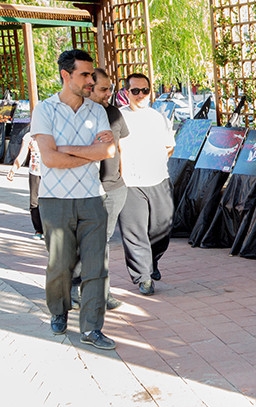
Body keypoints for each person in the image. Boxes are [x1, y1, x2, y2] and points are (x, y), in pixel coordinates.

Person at [30, 49, 116, 350]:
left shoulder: (98, 111)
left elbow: (107, 152)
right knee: (60, 265)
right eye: (84, 74)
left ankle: (92, 328)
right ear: (66, 76)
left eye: (92, 74)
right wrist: (86, 150)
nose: (91, 80)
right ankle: (59, 311)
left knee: (97, 267)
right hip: (55, 200)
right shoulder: (45, 109)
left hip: (92, 198)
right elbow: (50, 159)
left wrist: (69, 148)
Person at [71, 68, 130, 311]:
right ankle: (73, 286)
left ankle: (100, 292)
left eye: (110, 89)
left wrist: (122, 176)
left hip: (114, 188)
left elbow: (121, 148)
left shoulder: (114, 113)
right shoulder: (77, 116)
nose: (109, 94)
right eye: (103, 89)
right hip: (88, 191)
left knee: (102, 243)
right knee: (87, 243)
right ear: (88, 89)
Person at [118, 73, 175, 296]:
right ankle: (143, 277)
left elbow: (169, 146)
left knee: (162, 227)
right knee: (135, 232)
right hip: (130, 183)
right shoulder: (118, 117)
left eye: (145, 90)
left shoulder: (158, 117)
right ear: (126, 93)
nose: (140, 95)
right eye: (135, 91)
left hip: (159, 179)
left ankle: (152, 260)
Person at [6, 131, 44, 240]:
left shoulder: (51, 133)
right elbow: (22, 154)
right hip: (35, 172)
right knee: (34, 202)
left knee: (50, 201)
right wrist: (13, 169)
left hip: (50, 173)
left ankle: (50, 229)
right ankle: (38, 230)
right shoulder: (29, 136)